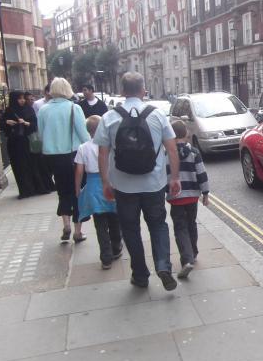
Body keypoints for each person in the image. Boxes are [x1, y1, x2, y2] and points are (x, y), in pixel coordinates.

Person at [95, 71, 181, 291]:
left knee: (131, 229)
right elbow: (172, 148)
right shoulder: (157, 115)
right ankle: (163, 265)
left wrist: (105, 182)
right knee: (158, 225)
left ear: (122, 92)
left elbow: (103, 154)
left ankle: (140, 275)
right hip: (154, 184)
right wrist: (174, 178)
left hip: (123, 186)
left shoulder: (109, 117)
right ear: (144, 90)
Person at [38, 77, 90, 243]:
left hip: (52, 157)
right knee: (77, 192)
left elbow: (40, 135)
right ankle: (77, 231)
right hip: (73, 155)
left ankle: (66, 224)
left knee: (62, 191)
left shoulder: (43, 110)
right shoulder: (74, 108)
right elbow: (84, 135)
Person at [75, 115, 123, 270]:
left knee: (100, 224)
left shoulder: (83, 147)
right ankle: (116, 248)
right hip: (111, 184)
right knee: (115, 219)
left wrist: (77, 189)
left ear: (88, 131)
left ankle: (106, 258)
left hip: (94, 188)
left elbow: (79, 171)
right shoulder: (110, 145)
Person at [166, 120, 209, 279]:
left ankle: (187, 259)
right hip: (192, 196)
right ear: (186, 133)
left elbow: (165, 175)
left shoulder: (168, 153)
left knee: (180, 228)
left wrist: (166, 190)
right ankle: (194, 252)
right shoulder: (194, 152)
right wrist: (205, 193)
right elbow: (202, 173)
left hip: (176, 198)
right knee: (191, 224)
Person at [0, 91, 48, 198]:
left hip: (28, 142)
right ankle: (26, 190)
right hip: (15, 144)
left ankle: (38, 187)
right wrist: (7, 122)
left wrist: (25, 123)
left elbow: (35, 124)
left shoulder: (28, 109)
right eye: (19, 98)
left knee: (33, 166)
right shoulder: (9, 111)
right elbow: (1, 124)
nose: (22, 100)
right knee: (20, 168)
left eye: (23, 98)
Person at [24, 92, 55, 193]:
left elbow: (35, 124)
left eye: (31, 99)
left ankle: (45, 185)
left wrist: (27, 123)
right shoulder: (38, 105)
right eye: (28, 100)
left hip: (35, 140)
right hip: (25, 143)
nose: (30, 101)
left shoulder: (31, 109)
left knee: (41, 165)